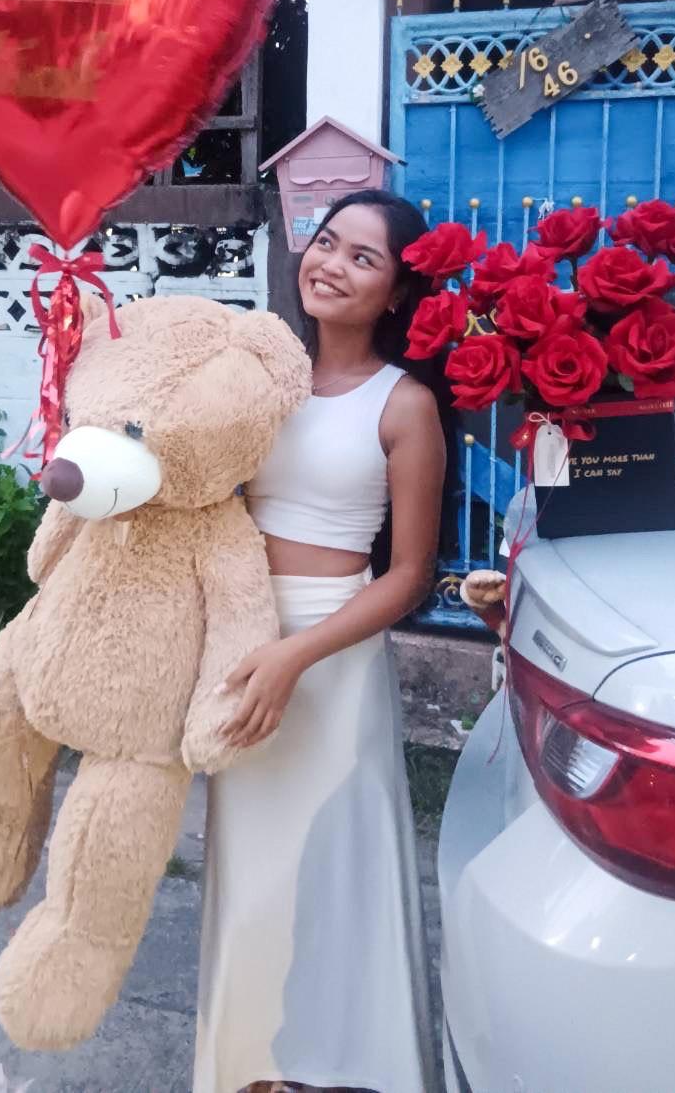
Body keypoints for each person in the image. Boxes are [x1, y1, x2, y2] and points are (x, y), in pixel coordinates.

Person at [194, 190, 448, 1093]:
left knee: (336, 874)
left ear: (395, 294)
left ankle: (347, 1070)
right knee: (252, 873)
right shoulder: (266, 381)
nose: (331, 263)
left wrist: (296, 655)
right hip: (243, 642)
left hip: (331, 662)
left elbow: (409, 574)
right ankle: (253, 1068)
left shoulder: (405, 402)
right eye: (327, 241)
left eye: (363, 258)